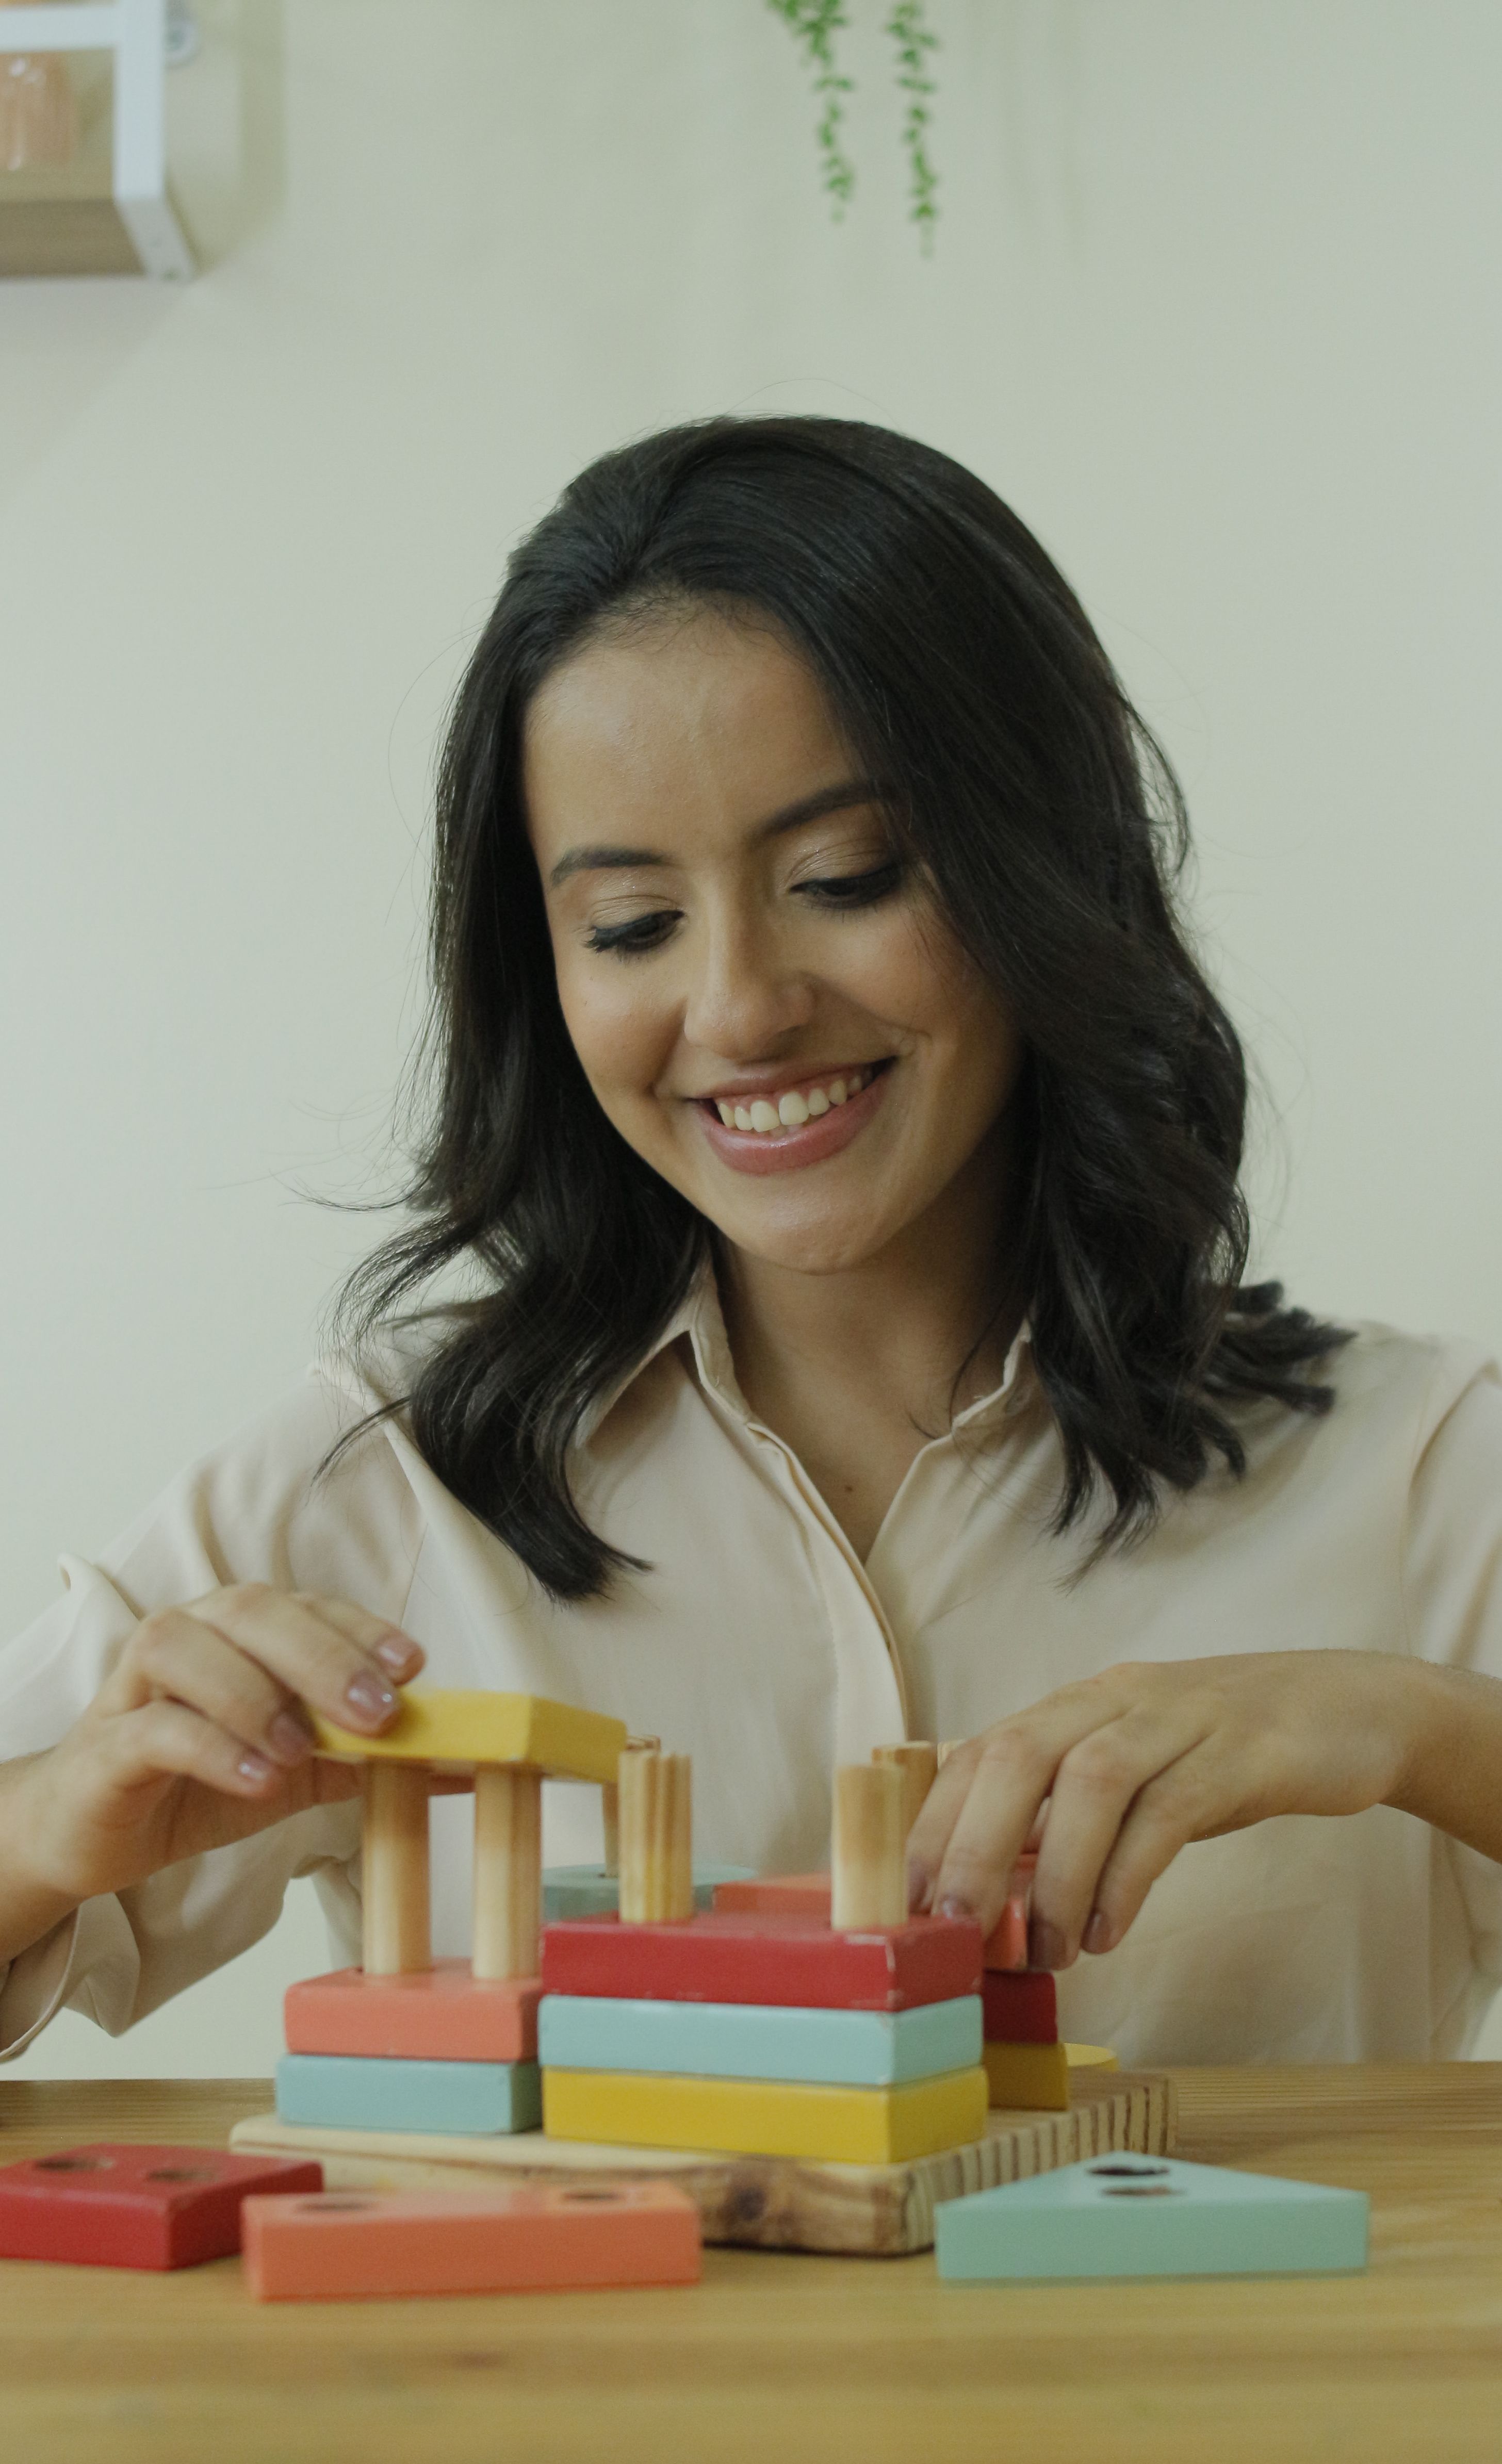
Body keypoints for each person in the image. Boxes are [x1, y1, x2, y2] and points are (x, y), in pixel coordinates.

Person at [3, 415, 1501, 2071]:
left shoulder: (1424, 1471)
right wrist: (40, 1837)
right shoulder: (378, 1486)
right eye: (632, 926)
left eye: (846, 877)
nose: (738, 1009)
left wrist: (1416, 1732)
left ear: (1041, 869)